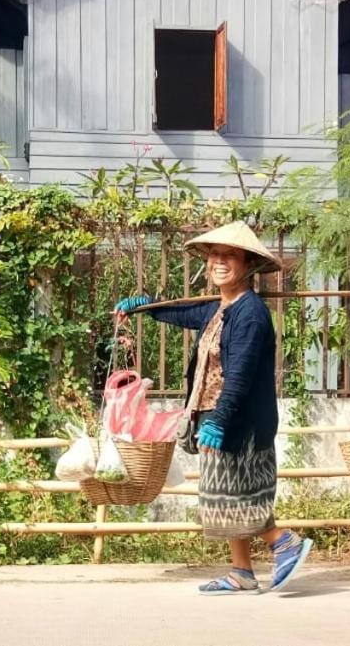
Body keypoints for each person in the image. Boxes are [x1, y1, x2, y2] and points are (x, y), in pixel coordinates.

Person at [115, 222, 312, 594]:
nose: (219, 262)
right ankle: (242, 573)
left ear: (248, 264)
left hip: (239, 420)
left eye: (230, 256)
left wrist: (219, 420)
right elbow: (183, 314)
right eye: (215, 256)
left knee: (237, 494)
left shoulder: (250, 314)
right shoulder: (220, 307)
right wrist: (148, 308)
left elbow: (239, 375)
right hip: (215, 415)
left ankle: (284, 542)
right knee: (224, 493)